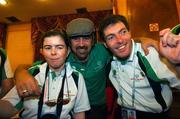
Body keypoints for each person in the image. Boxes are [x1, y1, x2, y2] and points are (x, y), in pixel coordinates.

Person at [14, 18, 158, 119]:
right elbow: (33, 66)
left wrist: (144, 39)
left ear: (93, 40)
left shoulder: (103, 51)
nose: (81, 43)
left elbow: (121, 43)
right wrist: (20, 72)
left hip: (98, 108)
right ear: (68, 42)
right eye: (76, 38)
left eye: (86, 38)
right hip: (70, 108)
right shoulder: (62, 55)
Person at [98, 14, 180, 119]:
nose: (119, 40)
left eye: (123, 32)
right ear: (105, 44)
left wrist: (177, 63)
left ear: (130, 33)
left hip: (153, 115)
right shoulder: (108, 59)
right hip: (122, 112)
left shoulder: (150, 55)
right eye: (111, 37)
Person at [0, 30, 90, 119]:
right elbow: (9, 105)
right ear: (42, 51)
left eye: (59, 47)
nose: (53, 52)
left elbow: (79, 113)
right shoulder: (31, 74)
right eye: (48, 48)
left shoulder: (77, 77)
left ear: (68, 51)